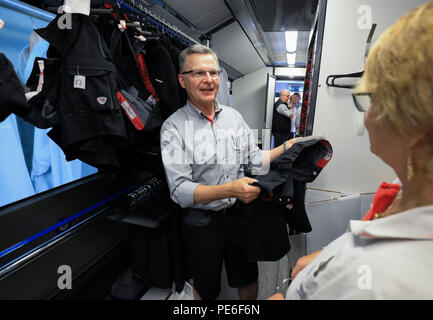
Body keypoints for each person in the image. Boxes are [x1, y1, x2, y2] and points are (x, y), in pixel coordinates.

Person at [268, 1, 433, 299]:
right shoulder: (408, 187)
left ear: (412, 123)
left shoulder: (390, 283)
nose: (365, 116)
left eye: (370, 96)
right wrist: (326, 256)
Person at [160, 44, 296, 300]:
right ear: (182, 80)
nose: (208, 80)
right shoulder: (173, 128)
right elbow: (179, 191)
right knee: (206, 286)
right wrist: (230, 189)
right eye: (198, 73)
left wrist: (288, 146)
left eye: (213, 73)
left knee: (247, 277)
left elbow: (255, 161)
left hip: (240, 217)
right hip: (202, 224)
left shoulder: (233, 118)